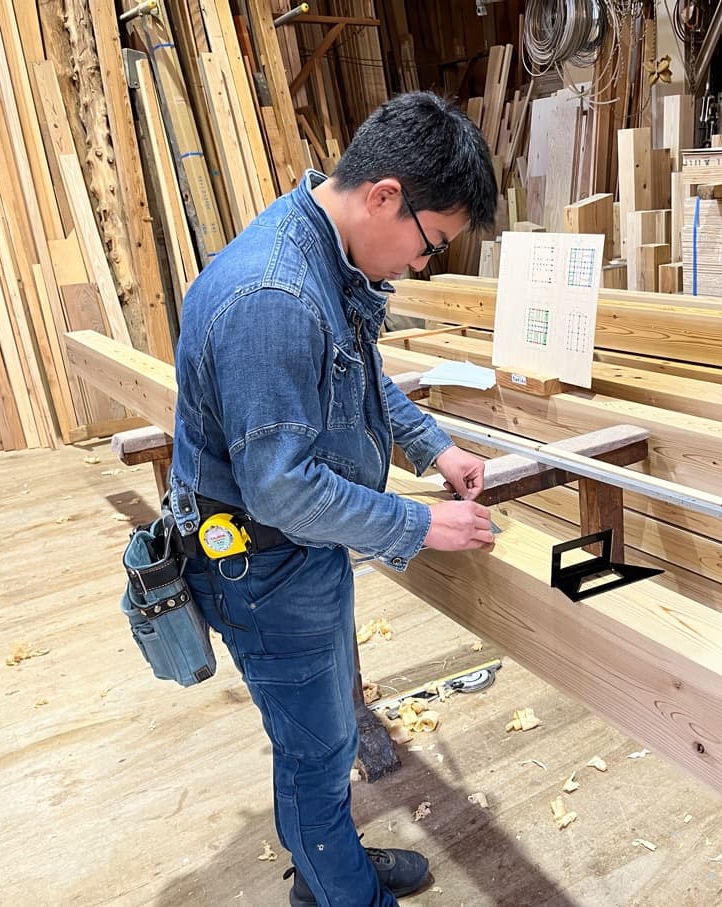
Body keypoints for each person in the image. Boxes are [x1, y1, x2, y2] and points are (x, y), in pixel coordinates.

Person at [168, 91, 499, 906]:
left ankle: (332, 864)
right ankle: (341, 892)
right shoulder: (275, 297)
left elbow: (356, 374)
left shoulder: (324, 251)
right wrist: (420, 523)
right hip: (262, 560)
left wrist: (433, 445)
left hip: (296, 548)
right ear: (384, 196)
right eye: (430, 243)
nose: (421, 265)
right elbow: (280, 488)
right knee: (314, 750)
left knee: (327, 727)